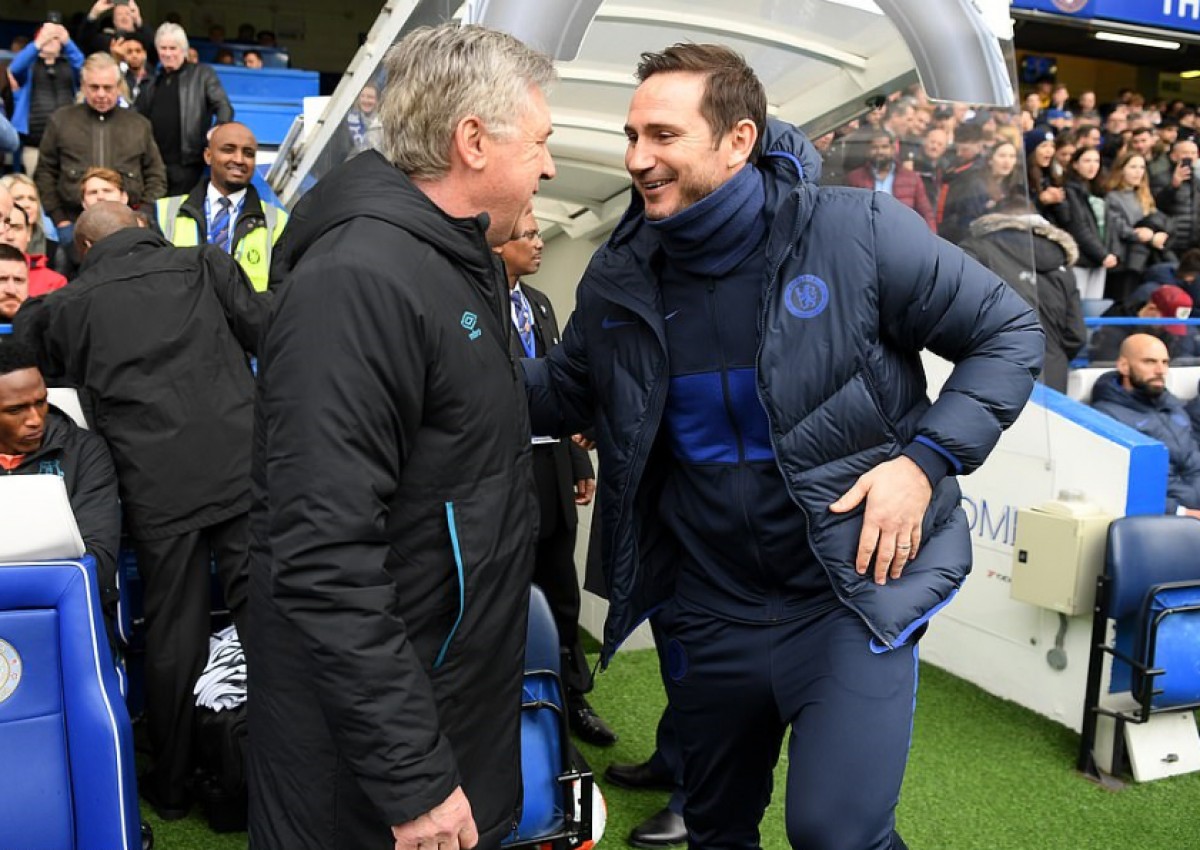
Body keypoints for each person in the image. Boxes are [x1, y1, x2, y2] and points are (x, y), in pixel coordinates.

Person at [522, 43, 1042, 850]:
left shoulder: (856, 230)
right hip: (706, 612)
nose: (637, 159)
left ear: (739, 140)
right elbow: (558, 393)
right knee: (715, 832)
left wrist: (923, 463)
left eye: (663, 135)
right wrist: (445, 332)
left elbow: (1008, 333)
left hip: (846, 600)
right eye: (632, 136)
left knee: (836, 834)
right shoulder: (619, 274)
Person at [246, 24, 556, 850]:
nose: (550, 167)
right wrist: (413, 780)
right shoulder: (357, 281)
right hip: (368, 777)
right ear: (473, 141)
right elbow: (325, 555)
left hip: (446, 713)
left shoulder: (451, 265)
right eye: (540, 142)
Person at [14, 201, 269, 821]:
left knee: (173, 632)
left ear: (84, 247)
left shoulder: (64, 306)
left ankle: (174, 785)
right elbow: (268, 331)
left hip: (155, 482)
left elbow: (29, 366)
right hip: (240, 463)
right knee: (268, 615)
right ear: (141, 227)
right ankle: (285, 766)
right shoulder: (204, 262)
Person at [496, 213, 615, 747]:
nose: (539, 244)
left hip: (552, 469)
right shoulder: (472, 305)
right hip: (504, 471)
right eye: (528, 236)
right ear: (498, 246)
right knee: (508, 591)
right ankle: (512, 704)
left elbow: (562, 387)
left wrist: (579, 462)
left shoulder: (540, 304)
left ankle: (572, 697)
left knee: (560, 590)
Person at [0, 338, 120, 647]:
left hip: (69, 619)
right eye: (16, 410)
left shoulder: (83, 451)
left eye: (40, 402)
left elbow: (98, 565)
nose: (35, 419)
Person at [960, 197, 1087, 392]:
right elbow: (1076, 335)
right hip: (1050, 377)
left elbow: (961, 309)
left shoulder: (976, 250)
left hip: (992, 371)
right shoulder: (1061, 262)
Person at [34, 52, 167, 230]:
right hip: (73, 222)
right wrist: (59, 218)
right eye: (94, 87)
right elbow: (45, 173)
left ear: (119, 87)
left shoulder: (139, 125)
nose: (101, 94)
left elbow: (156, 175)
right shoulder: (61, 121)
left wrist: (143, 214)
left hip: (129, 222)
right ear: (83, 86)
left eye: (108, 87)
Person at [154, 122, 287, 291]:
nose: (239, 159)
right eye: (228, 150)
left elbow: (280, 291)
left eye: (248, 153)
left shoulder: (277, 221)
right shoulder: (164, 211)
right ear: (208, 156)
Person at [1092, 333, 1200, 516]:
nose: (1160, 370)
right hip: (1167, 520)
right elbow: (1120, 485)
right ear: (1124, 366)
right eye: (1150, 362)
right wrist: (1182, 513)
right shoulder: (1107, 417)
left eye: (1165, 362)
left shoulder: (1173, 404)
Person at [134, 23, 234, 195]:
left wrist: (219, 127)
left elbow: (224, 106)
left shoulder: (202, 74)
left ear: (184, 50)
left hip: (188, 165)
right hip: (154, 166)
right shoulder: (150, 83)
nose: (167, 53)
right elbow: (135, 118)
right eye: (163, 48)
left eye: (173, 48)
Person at [8, 21, 85, 176]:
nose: (50, 40)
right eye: (46, 36)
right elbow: (15, 68)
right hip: (34, 143)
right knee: (34, 183)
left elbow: (83, 67)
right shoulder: (29, 65)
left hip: (67, 144)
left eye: (55, 37)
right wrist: (37, 44)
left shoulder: (69, 65)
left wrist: (68, 43)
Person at [1104, 152, 1173, 302]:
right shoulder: (1112, 197)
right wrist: (1145, 236)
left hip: (1147, 258)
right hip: (1125, 262)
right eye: (1133, 167)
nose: (1138, 172)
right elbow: (1119, 227)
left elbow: (1159, 219)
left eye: (1141, 167)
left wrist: (1159, 234)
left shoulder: (1144, 195)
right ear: (1121, 170)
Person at [843, 127, 935, 230]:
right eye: (875, 147)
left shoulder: (911, 178)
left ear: (893, 149)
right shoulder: (855, 178)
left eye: (884, 147)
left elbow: (926, 213)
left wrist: (931, 237)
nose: (880, 151)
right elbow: (848, 213)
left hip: (903, 232)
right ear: (868, 151)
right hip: (868, 233)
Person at [1059, 145, 1117, 301]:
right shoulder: (1069, 191)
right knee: (1078, 304)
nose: (1092, 165)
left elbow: (1108, 226)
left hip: (1100, 260)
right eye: (1087, 161)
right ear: (1075, 164)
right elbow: (1078, 227)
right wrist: (1102, 254)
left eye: (1096, 161)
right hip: (1081, 260)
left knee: (1094, 305)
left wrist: (1109, 253)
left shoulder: (1099, 192)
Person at [1089, 283, 1200, 362]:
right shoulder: (1112, 328)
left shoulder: (1169, 332)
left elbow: (1179, 358)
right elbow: (1106, 365)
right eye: (1166, 322)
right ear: (1152, 308)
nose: (1168, 328)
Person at [1, 203, 67, 297]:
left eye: (17, 228)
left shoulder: (54, 282)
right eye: (3, 227)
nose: (10, 236)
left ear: (28, 234)